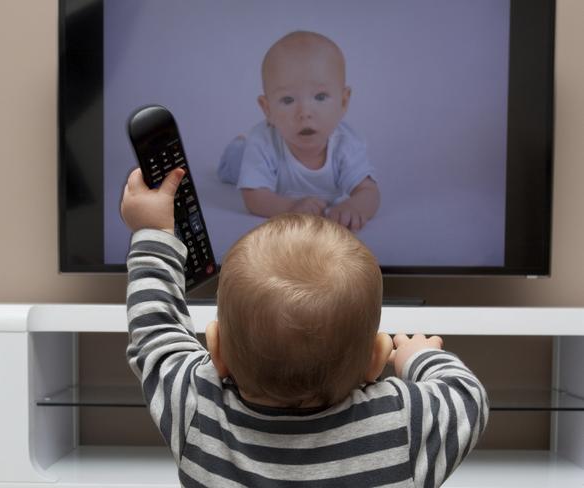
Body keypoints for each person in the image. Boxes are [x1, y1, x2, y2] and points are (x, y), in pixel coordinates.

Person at [120, 166, 489, 487]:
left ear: (215, 349)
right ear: (377, 359)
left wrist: (153, 233)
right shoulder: (402, 424)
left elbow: (156, 329)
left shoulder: (196, 409)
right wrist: (420, 358)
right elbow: (468, 396)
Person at [217, 31, 380, 231]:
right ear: (267, 109)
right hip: (244, 159)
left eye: (320, 97)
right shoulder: (263, 143)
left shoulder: (346, 143)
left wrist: (354, 206)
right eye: (288, 100)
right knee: (235, 163)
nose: (304, 113)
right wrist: (290, 208)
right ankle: (238, 145)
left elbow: (368, 191)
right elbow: (253, 197)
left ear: (343, 102)